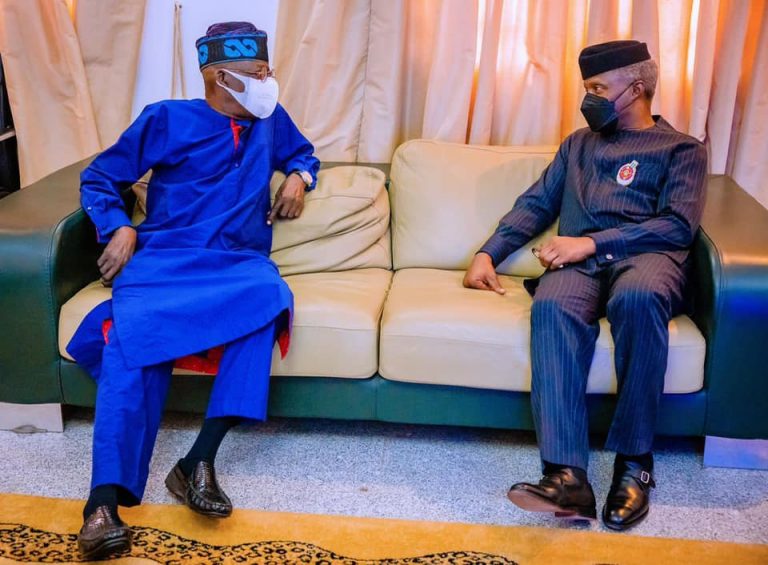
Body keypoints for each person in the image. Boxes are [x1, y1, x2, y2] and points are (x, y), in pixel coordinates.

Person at [69, 22, 319, 559]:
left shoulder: (271, 120)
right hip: (166, 260)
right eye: (256, 74)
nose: (268, 83)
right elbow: (99, 177)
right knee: (130, 342)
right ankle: (102, 504)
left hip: (237, 263)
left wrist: (300, 176)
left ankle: (198, 460)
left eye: (268, 72)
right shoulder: (166, 118)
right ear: (220, 78)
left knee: (268, 300)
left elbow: (304, 153)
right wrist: (120, 225)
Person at [463, 40, 707, 531]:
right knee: (552, 305)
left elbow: (677, 226)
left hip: (647, 261)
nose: (588, 98)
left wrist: (592, 243)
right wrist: (488, 252)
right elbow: (537, 203)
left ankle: (634, 464)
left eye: (597, 88)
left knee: (638, 298)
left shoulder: (682, 149)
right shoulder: (578, 145)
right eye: (587, 88)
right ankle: (566, 475)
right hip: (579, 266)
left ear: (635, 89)